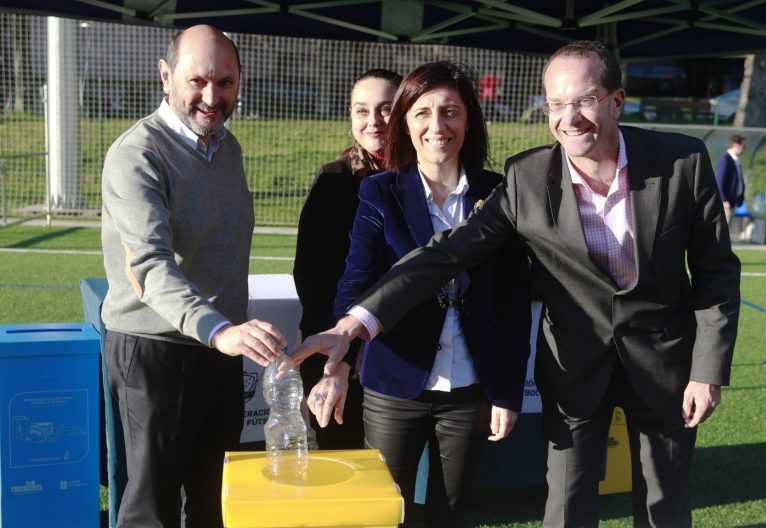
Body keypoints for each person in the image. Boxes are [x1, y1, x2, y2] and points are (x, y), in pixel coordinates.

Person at [294, 41, 741, 527]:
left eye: (585, 100)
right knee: (566, 510)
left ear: (616, 100)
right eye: (555, 104)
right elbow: (445, 253)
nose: (569, 118)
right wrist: (355, 324)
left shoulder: (683, 161)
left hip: (665, 369)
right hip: (574, 370)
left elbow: (716, 271)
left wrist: (707, 369)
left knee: (665, 510)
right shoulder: (526, 176)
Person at [300, 61, 531, 528]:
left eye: (450, 111)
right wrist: (339, 360)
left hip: (469, 390)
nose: (437, 125)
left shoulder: (499, 194)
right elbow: (356, 280)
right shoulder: (379, 192)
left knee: (450, 512)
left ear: (469, 119)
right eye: (422, 112)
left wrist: (507, 393)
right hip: (394, 384)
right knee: (387, 511)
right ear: (406, 121)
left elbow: (512, 304)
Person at [100, 25, 287, 527]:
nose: (212, 96)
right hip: (157, 351)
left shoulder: (228, 148)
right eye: (198, 80)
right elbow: (149, 268)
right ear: (166, 76)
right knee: (153, 508)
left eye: (225, 82)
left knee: (213, 497)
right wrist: (221, 330)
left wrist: (224, 334)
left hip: (218, 348)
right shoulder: (137, 154)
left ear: (240, 82)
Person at [293, 68, 402, 449]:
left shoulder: (426, 180)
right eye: (362, 110)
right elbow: (313, 277)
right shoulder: (333, 181)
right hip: (335, 352)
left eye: (386, 108)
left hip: (402, 352)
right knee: (344, 461)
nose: (373, 121)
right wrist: (346, 348)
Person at [715, 134, 746, 225]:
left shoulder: (735, 160)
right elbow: (719, 181)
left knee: (727, 229)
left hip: (733, 202)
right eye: (743, 146)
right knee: (723, 229)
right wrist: (724, 199)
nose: (744, 149)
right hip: (726, 204)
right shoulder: (725, 160)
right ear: (736, 145)